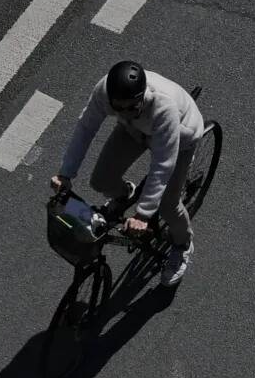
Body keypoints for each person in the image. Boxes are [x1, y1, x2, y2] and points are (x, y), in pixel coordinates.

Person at [50, 61, 203, 286]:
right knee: (101, 180)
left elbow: (162, 165)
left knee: (168, 205)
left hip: (180, 135)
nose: (124, 111)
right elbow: (85, 128)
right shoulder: (106, 92)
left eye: (132, 106)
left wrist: (143, 214)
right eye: (118, 108)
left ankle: (183, 245)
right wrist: (65, 174)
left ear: (142, 97)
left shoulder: (163, 107)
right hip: (137, 128)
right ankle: (125, 193)